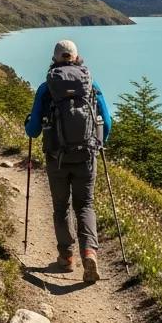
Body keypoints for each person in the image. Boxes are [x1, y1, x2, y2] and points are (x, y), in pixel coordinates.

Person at [25, 39, 112, 284]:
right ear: (76, 57)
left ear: (54, 59)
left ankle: (66, 257)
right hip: (86, 156)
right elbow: (107, 121)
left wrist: (28, 124)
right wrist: (98, 143)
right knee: (85, 206)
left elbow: (33, 130)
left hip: (57, 158)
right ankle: (89, 253)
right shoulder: (91, 84)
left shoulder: (46, 87)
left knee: (61, 206)